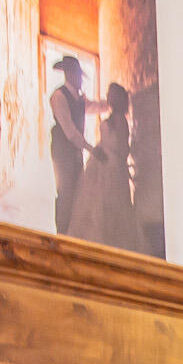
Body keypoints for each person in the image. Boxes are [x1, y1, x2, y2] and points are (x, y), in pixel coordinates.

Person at [71, 82, 142, 252]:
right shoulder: (111, 117)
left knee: (111, 203)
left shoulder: (121, 121)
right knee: (95, 203)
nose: (108, 97)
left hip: (112, 167)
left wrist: (108, 154)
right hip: (100, 165)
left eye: (111, 94)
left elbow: (122, 147)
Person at [48, 56, 96, 234]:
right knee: (65, 191)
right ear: (69, 74)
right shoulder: (58, 97)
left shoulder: (79, 99)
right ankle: (62, 232)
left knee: (77, 190)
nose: (80, 80)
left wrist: (112, 104)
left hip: (75, 152)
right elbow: (70, 132)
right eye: (78, 75)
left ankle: (72, 232)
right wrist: (91, 149)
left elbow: (95, 107)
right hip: (62, 151)